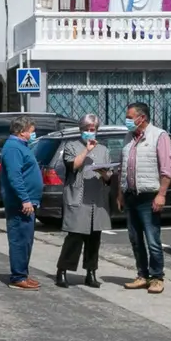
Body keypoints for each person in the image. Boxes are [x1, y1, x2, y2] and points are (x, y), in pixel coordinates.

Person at [117, 102, 171, 294]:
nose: (127, 121)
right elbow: (122, 167)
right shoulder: (129, 137)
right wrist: (120, 193)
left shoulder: (159, 136)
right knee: (135, 239)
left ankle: (157, 277)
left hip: (149, 196)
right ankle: (142, 275)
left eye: (130, 117)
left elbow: (166, 169)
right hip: (131, 195)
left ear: (142, 118)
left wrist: (161, 195)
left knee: (152, 239)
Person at [56, 114, 113, 288]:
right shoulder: (71, 146)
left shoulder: (103, 149)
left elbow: (109, 176)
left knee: (94, 239)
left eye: (93, 130)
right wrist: (86, 150)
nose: (90, 133)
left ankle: (91, 272)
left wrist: (105, 173)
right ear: (81, 130)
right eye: (87, 130)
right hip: (78, 198)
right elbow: (72, 166)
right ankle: (62, 271)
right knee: (74, 236)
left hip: (97, 199)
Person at [0, 116, 44, 290]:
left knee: (26, 240)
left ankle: (22, 273)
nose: (33, 134)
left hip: (27, 202)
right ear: (21, 131)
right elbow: (15, 176)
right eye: (32, 131)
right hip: (20, 204)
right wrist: (25, 199)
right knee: (19, 239)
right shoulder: (12, 148)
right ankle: (18, 277)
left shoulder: (21, 146)